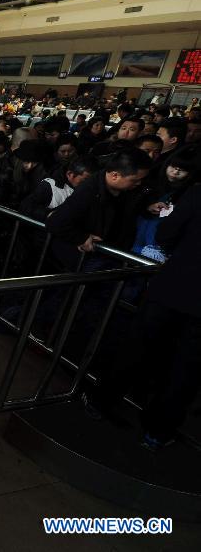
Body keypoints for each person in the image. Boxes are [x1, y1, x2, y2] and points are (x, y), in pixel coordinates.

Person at [84, 182, 201, 451]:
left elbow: (166, 235)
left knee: (136, 347)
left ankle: (101, 402)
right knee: (186, 370)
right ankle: (158, 432)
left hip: (173, 287)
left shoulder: (197, 192)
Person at [46, 148, 152, 272]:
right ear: (115, 175)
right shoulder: (88, 192)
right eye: (135, 180)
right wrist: (81, 238)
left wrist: (147, 207)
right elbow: (55, 222)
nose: (139, 183)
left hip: (112, 251)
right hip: (87, 258)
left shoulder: (127, 190)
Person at [19, 155, 98, 221]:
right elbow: (26, 206)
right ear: (70, 174)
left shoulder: (92, 191)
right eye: (85, 180)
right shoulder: (50, 186)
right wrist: (49, 214)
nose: (89, 184)